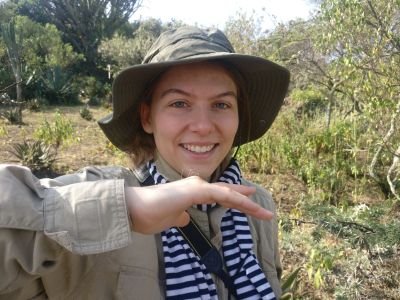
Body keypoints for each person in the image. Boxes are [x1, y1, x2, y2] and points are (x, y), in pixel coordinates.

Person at [0, 26, 289, 299]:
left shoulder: (257, 206)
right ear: (147, 117)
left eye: (221, 104)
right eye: (179, 103)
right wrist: (121, 208)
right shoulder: (103, 191)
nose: (203, 126)